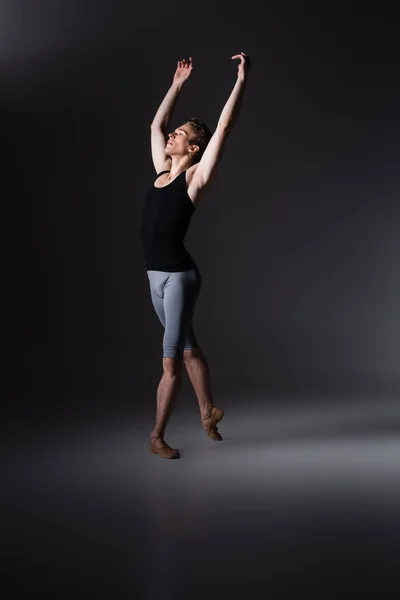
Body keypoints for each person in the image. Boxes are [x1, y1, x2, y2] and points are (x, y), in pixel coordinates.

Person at [140, 52, 251, 459]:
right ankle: (208, 412)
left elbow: (224, 127)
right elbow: (156, 125)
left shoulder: (193, 179)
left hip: (179, 278)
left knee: (171, 363)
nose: (171, 136)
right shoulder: (161, 171)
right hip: (155, 278)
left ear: (194, 146)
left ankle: (157, 437)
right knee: (187, 347)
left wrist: (240, 80)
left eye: (180, 133)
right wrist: (177, 85)